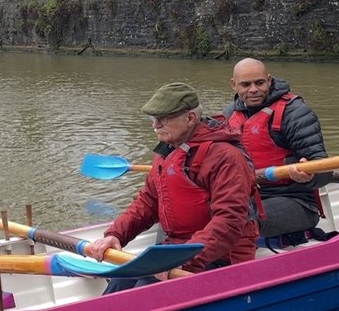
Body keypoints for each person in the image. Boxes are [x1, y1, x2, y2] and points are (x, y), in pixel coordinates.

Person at [85, 83, 262, 289]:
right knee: (120, 282)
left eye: (164, 118)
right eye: (153, 119)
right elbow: (148, 202)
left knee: (145, 286)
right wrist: (115, 234)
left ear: (190, 118)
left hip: (221, 255)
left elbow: (229, 220)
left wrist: (184, 259)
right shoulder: (166, 151)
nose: (155, 125)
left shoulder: (226, 157)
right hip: (178, 247)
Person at [224, 58, 332, 242]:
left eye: (259, 83)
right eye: (245, 84)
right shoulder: (229, 114)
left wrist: (310, 175)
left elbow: (324, 171)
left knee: (238, 218)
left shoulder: (295, 112)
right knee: (194, 212)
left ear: (269, 80)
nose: (253, 90)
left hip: (297, 201)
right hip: (249, 197)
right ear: (234, 85)